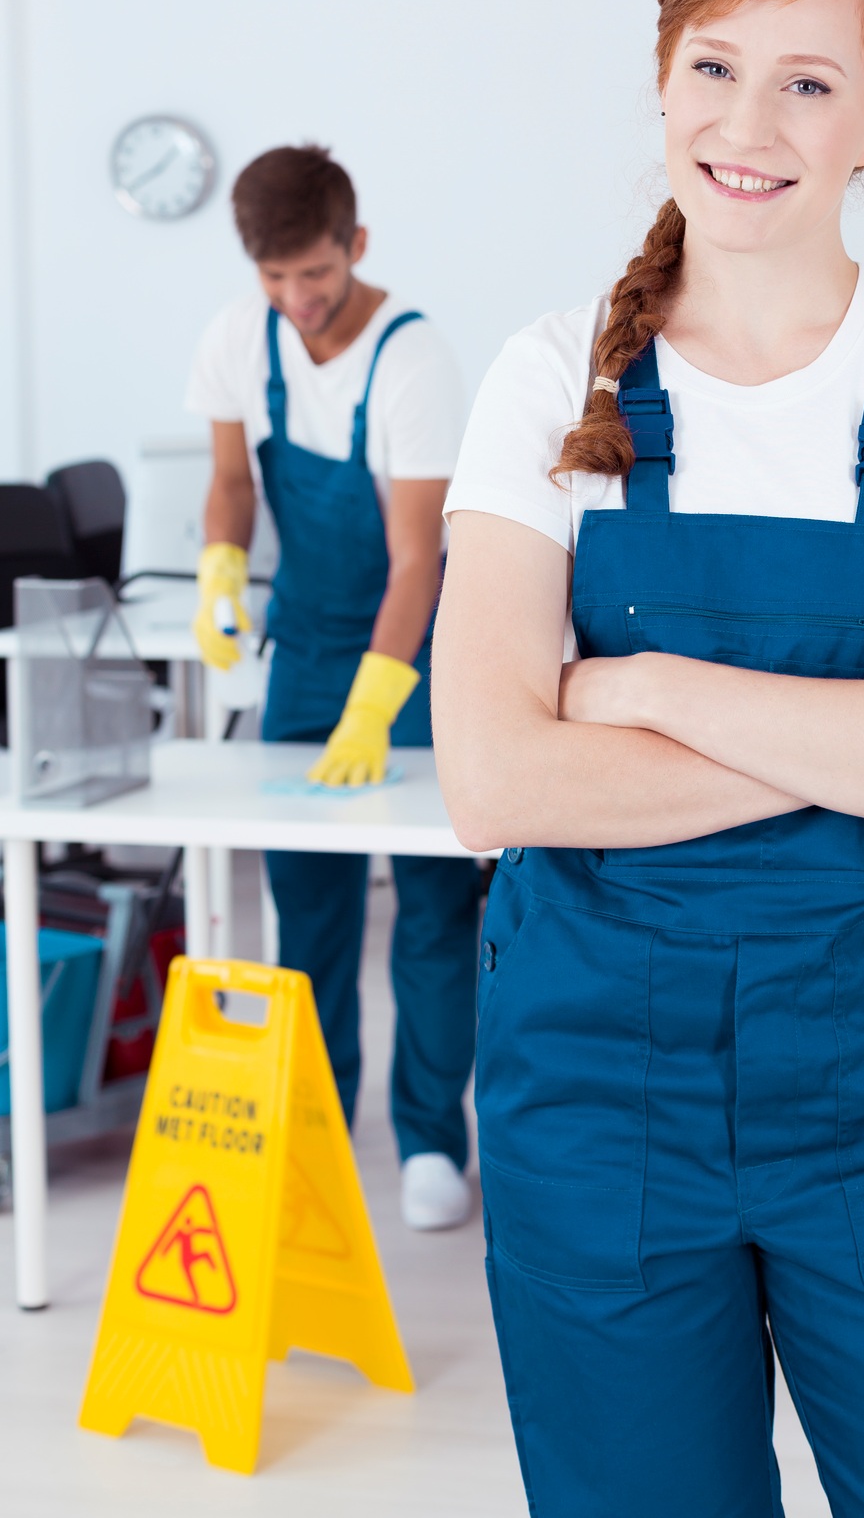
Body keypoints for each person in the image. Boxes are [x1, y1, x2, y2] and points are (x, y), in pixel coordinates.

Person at [435, 0, 864, 1515]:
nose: (747, 123)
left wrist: (640, 692)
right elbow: (499, 785)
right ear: (659, 83)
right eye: (713, 66)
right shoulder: (544, 381)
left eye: (807, 81)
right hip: (594, 1104)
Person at [187, 143, 477, 1231]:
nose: (296, 299)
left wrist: (377, 701)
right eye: (273, 279)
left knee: (434, 910)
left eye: (313, 272)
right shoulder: (238, 336)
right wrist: (222, 566)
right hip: (305, 651)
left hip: (416, 655)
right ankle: (311, 1136)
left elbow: (419, 559)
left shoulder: (414, 359)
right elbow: (227, 481)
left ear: (355, 246)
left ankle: (432, 1142)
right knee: (306, 909)